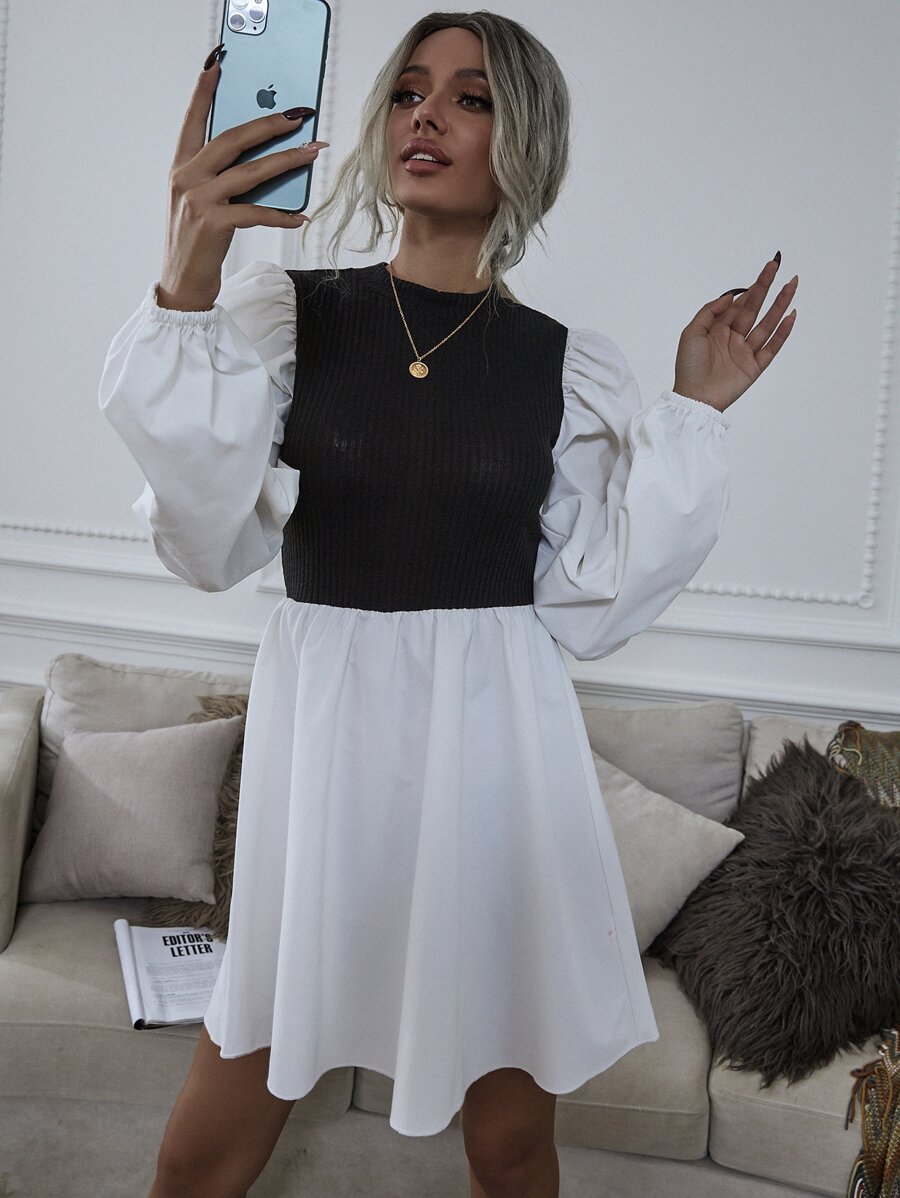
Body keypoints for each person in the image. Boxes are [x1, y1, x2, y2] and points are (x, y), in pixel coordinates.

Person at [97, 11, 799, 1198]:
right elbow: (207, 542)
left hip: (495, 762)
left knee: (512, 1145)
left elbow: (590, 604)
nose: (427, 115)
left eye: (471, 98)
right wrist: (188, 275)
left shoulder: (566, 364)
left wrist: (694, 412)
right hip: (324, 751)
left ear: (525, 144)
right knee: (214, 1127)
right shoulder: (286, 320)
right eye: (409, 91)